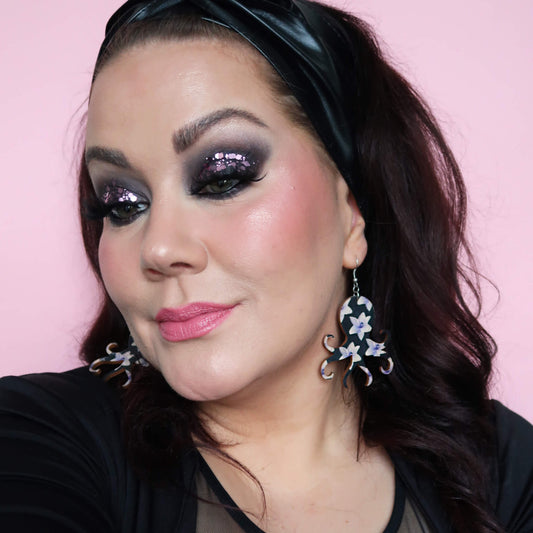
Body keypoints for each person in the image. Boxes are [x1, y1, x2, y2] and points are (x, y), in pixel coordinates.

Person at [0, 0, 531, 531]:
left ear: (352, 214)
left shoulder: (499, 468)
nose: (157, 248)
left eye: (222, 178)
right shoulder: (38, 437)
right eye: (121, 204)